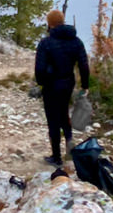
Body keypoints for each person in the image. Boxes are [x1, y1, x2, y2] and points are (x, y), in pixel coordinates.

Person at [34, 9, 89, 167]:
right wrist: (85, 85)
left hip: (51, 86)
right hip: (67, 83)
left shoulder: (46, 43)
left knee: (53, 119)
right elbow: (84, 65)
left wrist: (41, 83)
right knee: (64, 112)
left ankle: (56, 157)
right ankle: (70, 142)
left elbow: (39, 69)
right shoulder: (76, 41)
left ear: (50, 24)